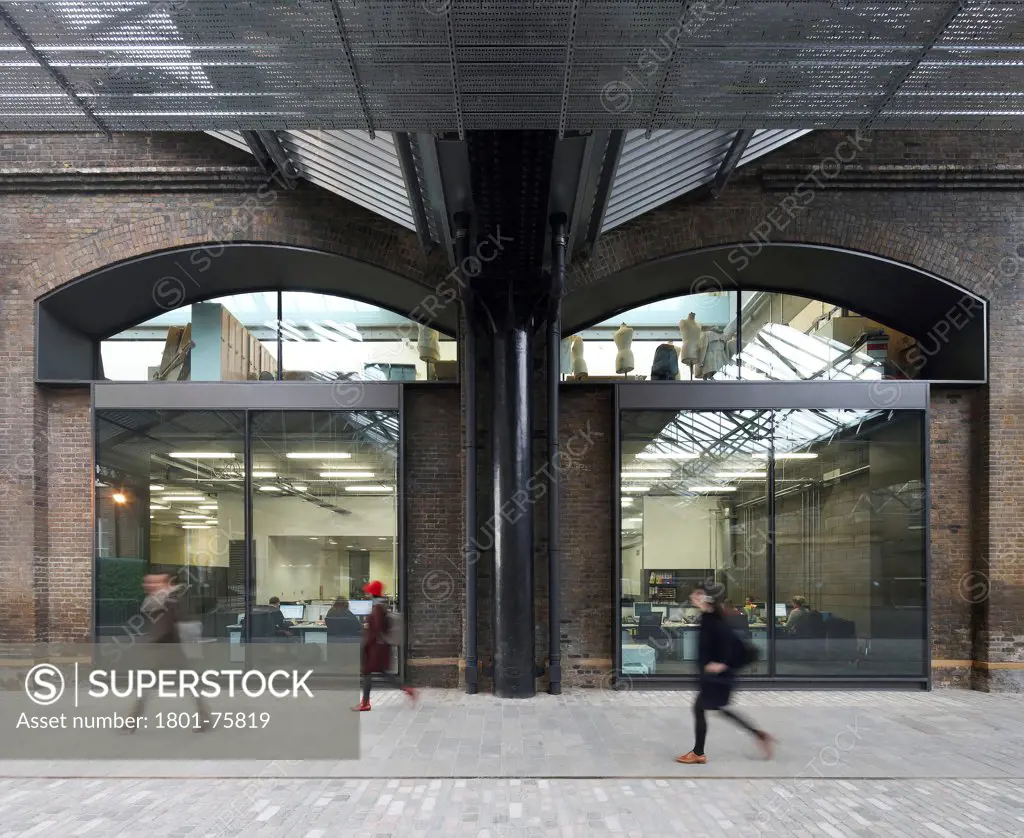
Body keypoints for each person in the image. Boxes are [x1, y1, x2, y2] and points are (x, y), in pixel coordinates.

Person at [676, 583, 774, 764]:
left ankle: (698, 753)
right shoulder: (708, 617)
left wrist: (722, 664)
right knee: (714, 709)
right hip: (713, 677)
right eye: (694, 594)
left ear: (708, 598)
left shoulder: (713, 619)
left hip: (717, 678)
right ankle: (758, 734)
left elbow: (730, 643)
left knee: (701, 709)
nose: (694, 597)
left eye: (699, 594)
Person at [130, 573, 211, 731]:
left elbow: (179, 624)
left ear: (166, 584)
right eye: (147, 583)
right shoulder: (156, 601)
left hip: (173, 650)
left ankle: (131, 722)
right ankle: (131, 721)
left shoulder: (172, 600)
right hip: (165, 650)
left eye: (155, 583)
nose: (149, 586)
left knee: (150, 685)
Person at [353, 580, 417, 711]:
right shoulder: (381, 606)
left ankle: (365, 703)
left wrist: (366, 643)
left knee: (367, 673)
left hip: (375, 648)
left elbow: (377, 629)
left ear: (372, 594)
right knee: (382, 673)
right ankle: (406, 689)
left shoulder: (377, 608)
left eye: (369, 592)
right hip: (379, 647)